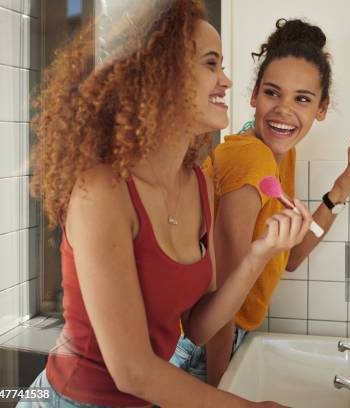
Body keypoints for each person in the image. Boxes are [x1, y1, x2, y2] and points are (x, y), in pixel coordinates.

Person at [21, 1, 309, 406]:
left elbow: (197, 326)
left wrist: (261, 253)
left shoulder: (199, 184)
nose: (226, 80)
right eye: (211, 63)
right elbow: (132, 370)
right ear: (160, 74)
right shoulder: (103, 191)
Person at [171, 18, 350, 386]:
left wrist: (342, 188)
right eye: (272, 93)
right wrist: (222, 389)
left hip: (227, 337)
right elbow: (220, 301)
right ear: (253, 96)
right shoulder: (251, 159)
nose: (284, 110)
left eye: (302, 99)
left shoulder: (281, 154)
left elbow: (291, 256)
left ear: (321, 108)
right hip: (202, 348)